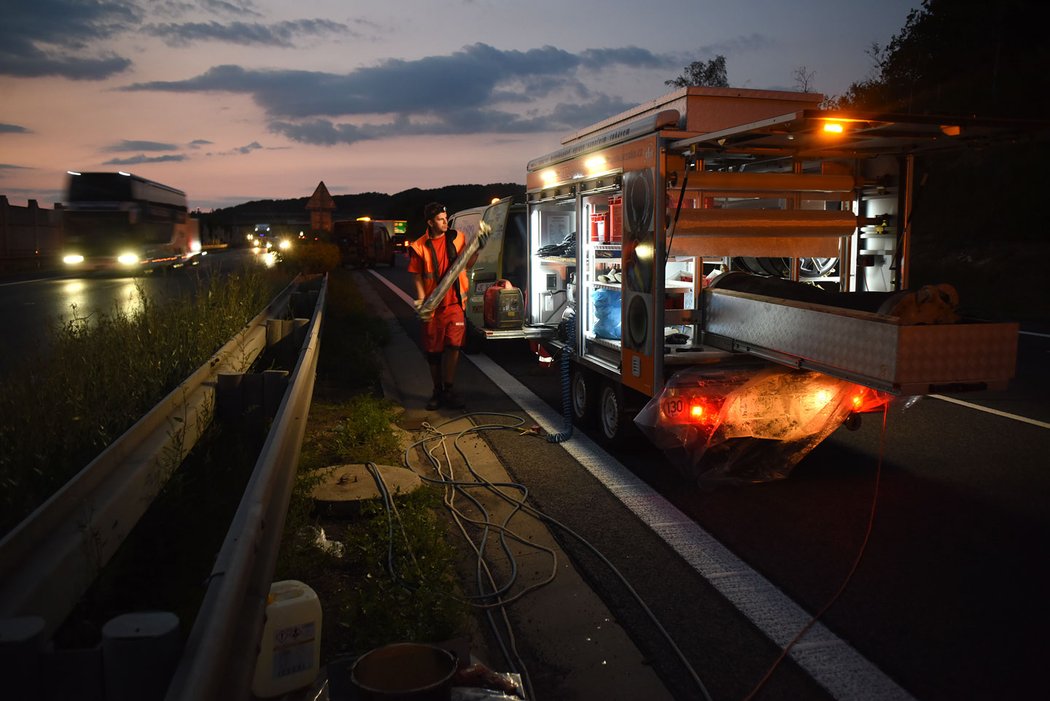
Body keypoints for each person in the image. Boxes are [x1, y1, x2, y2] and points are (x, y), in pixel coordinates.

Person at [407, 202, 489, 410]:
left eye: (446, 217)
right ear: (430, 222)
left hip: (454, 304)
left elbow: (467, 264)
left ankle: (449, 389)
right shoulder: (419, 246)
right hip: (432, 308)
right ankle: (437, 391)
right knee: (433, 352)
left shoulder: (457, 237)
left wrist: (478, 247)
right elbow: (417, 275)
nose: (445, 221)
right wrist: (420, 299)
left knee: (454, 347)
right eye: (440, 219)